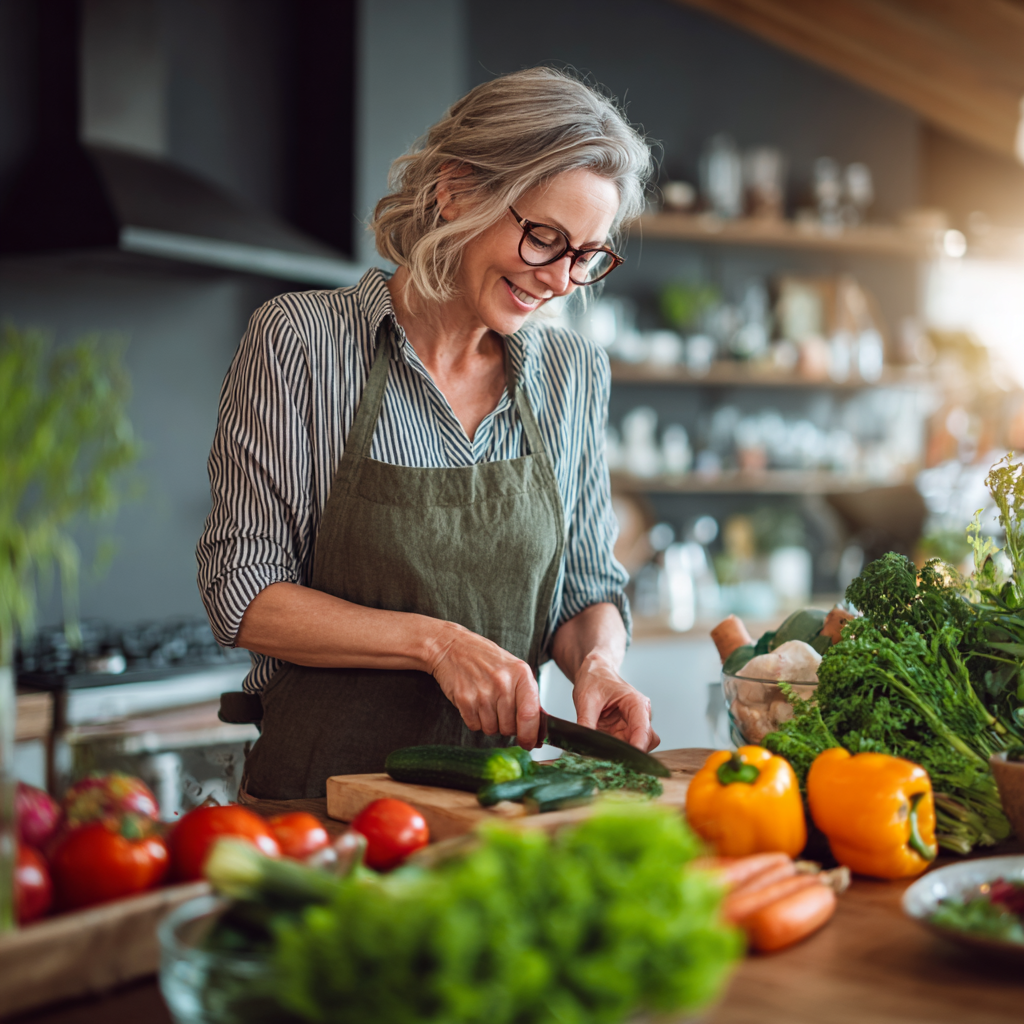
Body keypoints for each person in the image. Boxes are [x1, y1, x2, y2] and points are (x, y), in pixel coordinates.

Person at [197, 67, 659, 800]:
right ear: (457, 191)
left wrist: (599, 664)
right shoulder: (301, 343)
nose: (562, 279)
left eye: (587, 255)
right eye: (544, 237)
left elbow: (584, 587)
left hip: (497, 811)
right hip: (319, 809)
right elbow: (243, 594)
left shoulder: (572, 372)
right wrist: (434, 644)